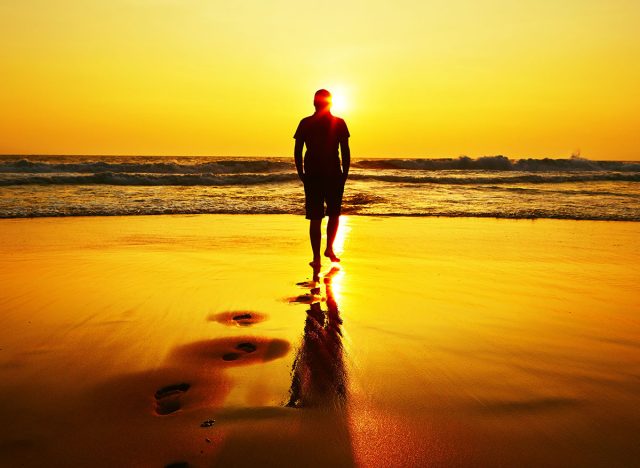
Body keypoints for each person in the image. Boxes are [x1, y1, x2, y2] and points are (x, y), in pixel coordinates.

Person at [294, 89, 351, 268]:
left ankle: (320, 255)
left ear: (314, 103)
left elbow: (297, 151)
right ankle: (326, 250)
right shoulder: (333, 122)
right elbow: (345, 151)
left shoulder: (309, 123)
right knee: (331, 214)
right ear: (330, 103)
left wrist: (301, 172)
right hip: (328, 174)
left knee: (318, 217)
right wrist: (345, 173)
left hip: (319, 174)